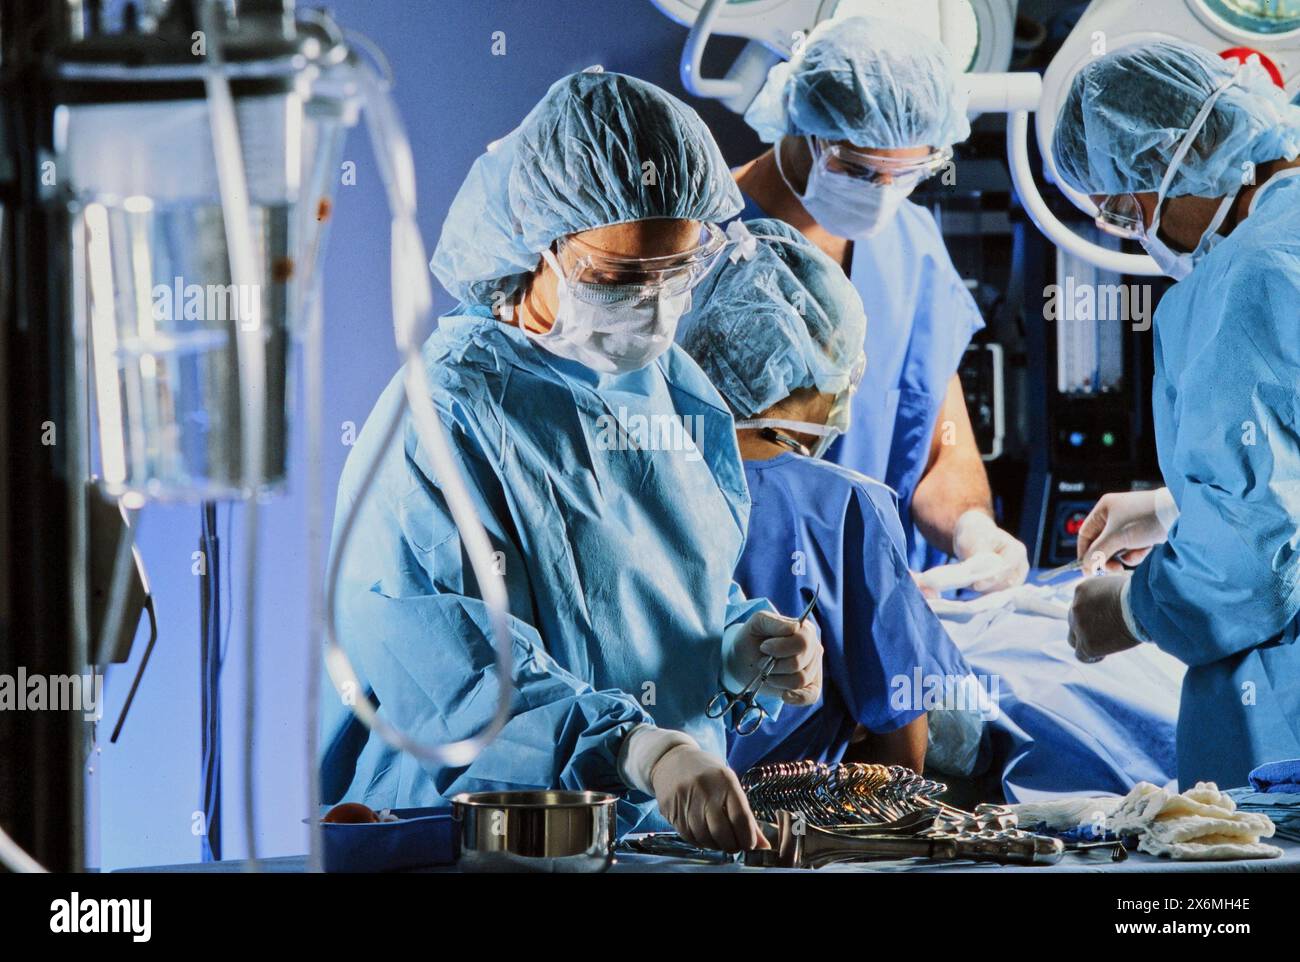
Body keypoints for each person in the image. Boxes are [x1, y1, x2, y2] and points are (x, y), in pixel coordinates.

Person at [319, 70, 822, 852]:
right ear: (538, 244)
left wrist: (732, 646)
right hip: (479, 839)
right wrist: (639, 747)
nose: (653, 306)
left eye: (677, 272)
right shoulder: (438, 424)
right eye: (620, 277)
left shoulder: (665, 388)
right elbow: (454, 674)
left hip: (651, 840)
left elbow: (665, 586)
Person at [1053, 41, 1300, 788]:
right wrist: (1170, 508)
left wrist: (1132, 608)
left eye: (1127, 210)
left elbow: (1253, 572)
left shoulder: (1248, 279)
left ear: (1177, 158)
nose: (1141, 235)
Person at [677, 218, 987, 778]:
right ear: (809, 367)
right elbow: (904, 757)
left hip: (649, 825)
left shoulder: (634, 480)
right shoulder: (848, 506)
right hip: (792, 840)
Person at [730, 15, 1028, 588]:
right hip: (743, 613)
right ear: (797, 120)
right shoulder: (702, 243)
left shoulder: (910, 245)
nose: (880, 192)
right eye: (856, 167)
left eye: (907, 171)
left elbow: (941, 454)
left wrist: (974, 529)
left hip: (886, 598)